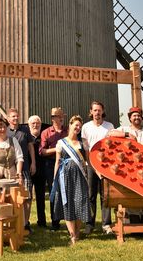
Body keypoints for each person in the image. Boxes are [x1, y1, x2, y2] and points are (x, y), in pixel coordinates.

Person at [50, 115, 91, 245]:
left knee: (80, 202)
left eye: (80, 126)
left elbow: (88, 161)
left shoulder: (83, 143)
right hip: (65, 176)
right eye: (76, 125)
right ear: (70, 125)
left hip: (80, 176)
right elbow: (57, 161)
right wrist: (54, 179)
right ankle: (72, 235)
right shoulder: (61, 143)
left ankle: (77, 232)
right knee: (67, 203)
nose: (78, 128)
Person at [81, 101, 114, 235]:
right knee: (90, 195)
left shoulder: (109, 126)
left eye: (99, 110)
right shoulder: (86, 127)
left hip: (105, 166)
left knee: (105, 196)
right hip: (91, 166)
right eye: (95, 110)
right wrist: (91, 164)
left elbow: (112, 146)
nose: (97, 113)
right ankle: (90, 223)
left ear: (103, 111)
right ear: (91, 112)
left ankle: (106, 224)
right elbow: (86, 148)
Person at [6, 108, 36, 232]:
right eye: (12, 116)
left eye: (17, 116)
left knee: (27, 197)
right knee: (11, 198)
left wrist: (33, 163)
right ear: (8, 119)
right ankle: (13, 222)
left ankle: (26, 223)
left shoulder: (25, 130)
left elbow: (30, 147)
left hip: (24, 169)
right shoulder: (5, 131)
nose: (15, 118)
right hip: (10, 170)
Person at [39, 107, 67, 231]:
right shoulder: (46, 132)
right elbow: (42, 151)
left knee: (67, 191)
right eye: (56, 116)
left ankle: (69, 220)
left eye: (61, 116)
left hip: (66, 163)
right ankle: (55, 222)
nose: (59, 118)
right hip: (51, 165)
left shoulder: (67, 131)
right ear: (52, 118)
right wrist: (57, 149)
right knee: (54, 192)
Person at [27, 115, 49, 228]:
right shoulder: (26, 137)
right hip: (28, 170)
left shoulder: (43, 136)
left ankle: (42, 221)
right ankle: (26, 222)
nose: (35, 125)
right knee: (28, 197)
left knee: (40, 197)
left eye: (37, 123)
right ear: (29, 125)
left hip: (41, 170)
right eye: (33, 123)